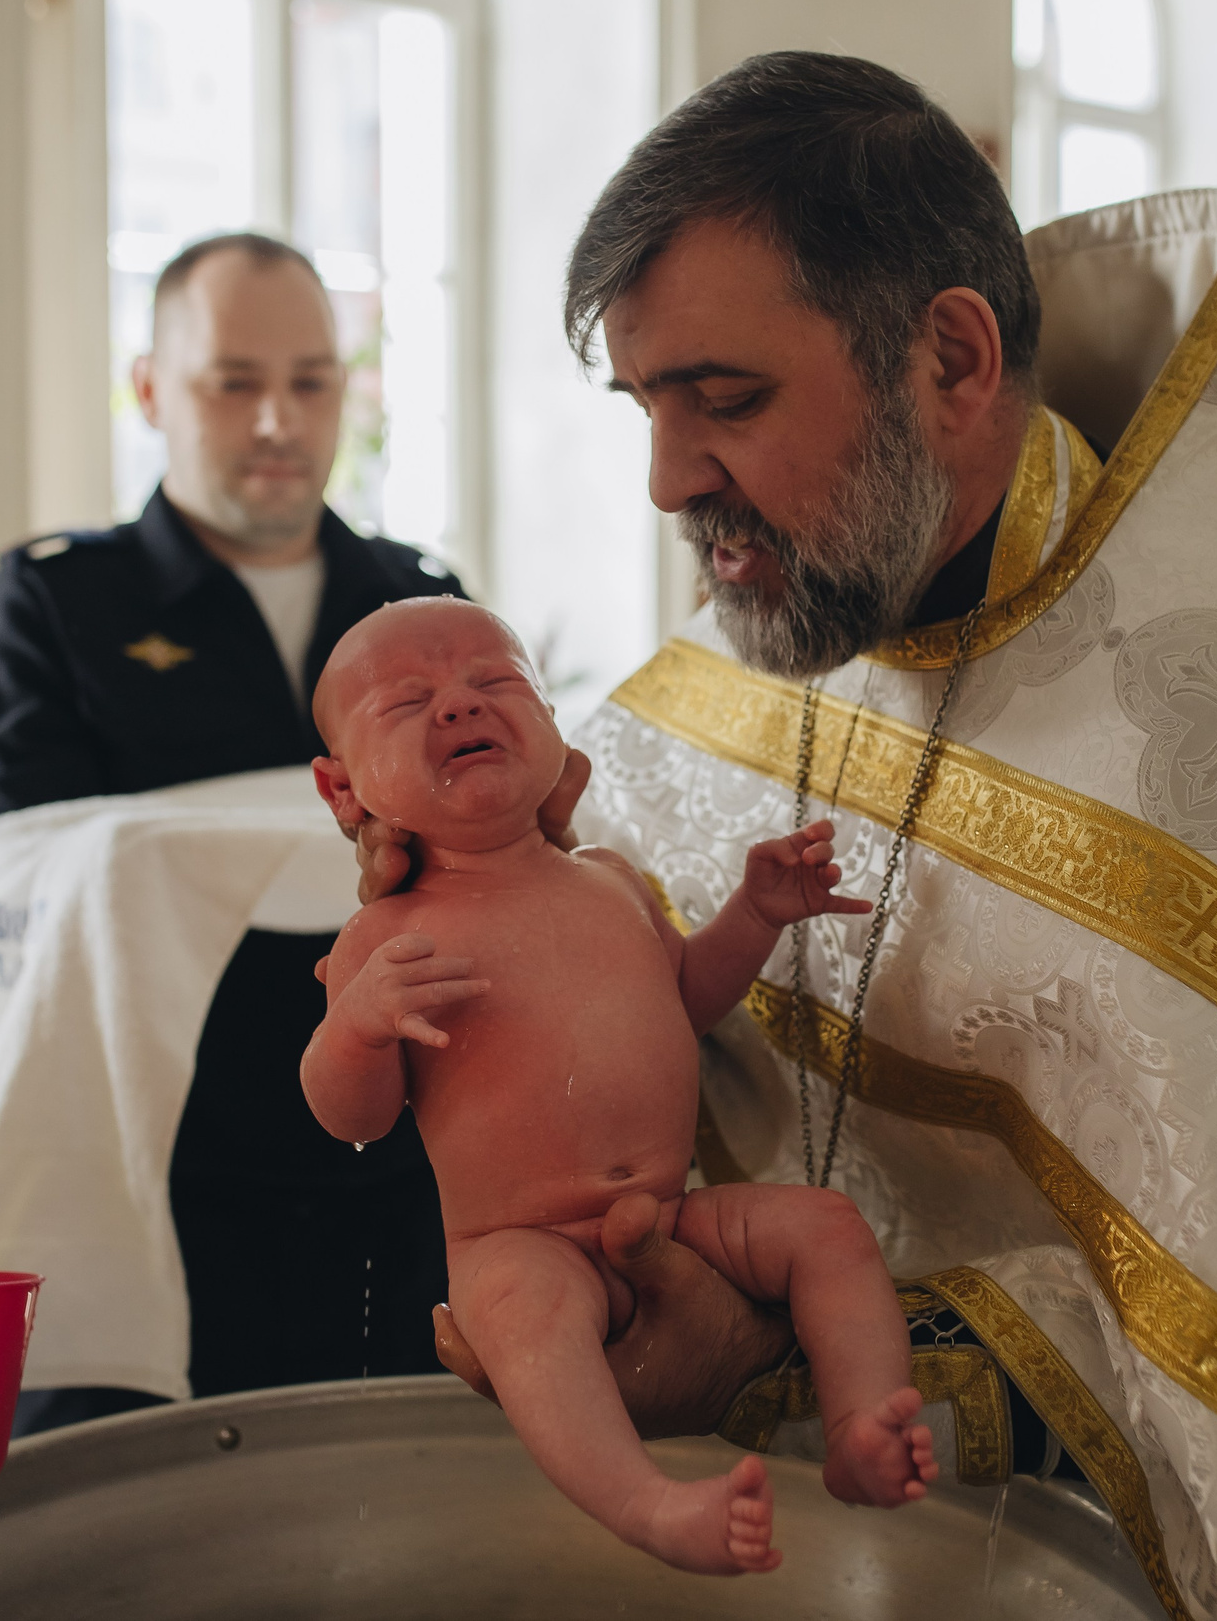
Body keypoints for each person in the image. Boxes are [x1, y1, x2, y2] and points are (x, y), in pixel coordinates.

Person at [387, 53, 1217, 1620]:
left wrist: (775, 1341)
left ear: (951, 360)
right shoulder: (754, 666)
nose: (667, 481)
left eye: (729, 400)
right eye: (646, 407)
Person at [0, 234, 468, 1433]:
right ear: (148, 390)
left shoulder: (419, 602)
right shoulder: (54, 604)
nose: (278, 419)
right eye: (232, 382)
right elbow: (19, 886)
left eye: (311, 381)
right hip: (170, 1179)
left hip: (395, 1171)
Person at [302, 597, 935, 1574]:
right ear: (342, 790)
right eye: (408, 702)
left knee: (826, 1228)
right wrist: (354, 1029)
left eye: (495, 683)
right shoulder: (383, 941)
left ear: (556, 728)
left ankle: (862, 1427)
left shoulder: (607, 878)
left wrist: (754, 917)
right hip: (516, 1240)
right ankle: (645, 1504)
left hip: (673, 1217)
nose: (460, 709)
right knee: (525, 1325)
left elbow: (682, 1002)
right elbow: (354, 1116)